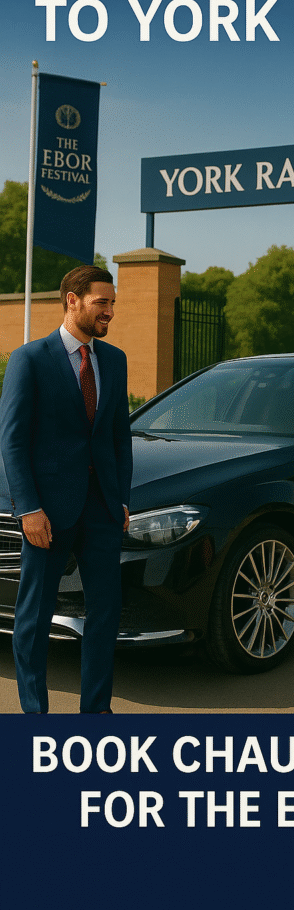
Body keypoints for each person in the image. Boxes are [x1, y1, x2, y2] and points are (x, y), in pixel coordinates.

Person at [0, 265, 133, 714]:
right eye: (102, 302)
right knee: (34, 617)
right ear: (72, 300)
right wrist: (29, 508)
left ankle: (96, 713)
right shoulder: (30, 359)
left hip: (102, 510)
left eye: (112, 303)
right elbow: (13, 441)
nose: (110, 312)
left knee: (104, 616)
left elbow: (119, 437)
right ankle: (35, 715)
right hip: (48, 512)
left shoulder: (114, 360)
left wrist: (121, 499)